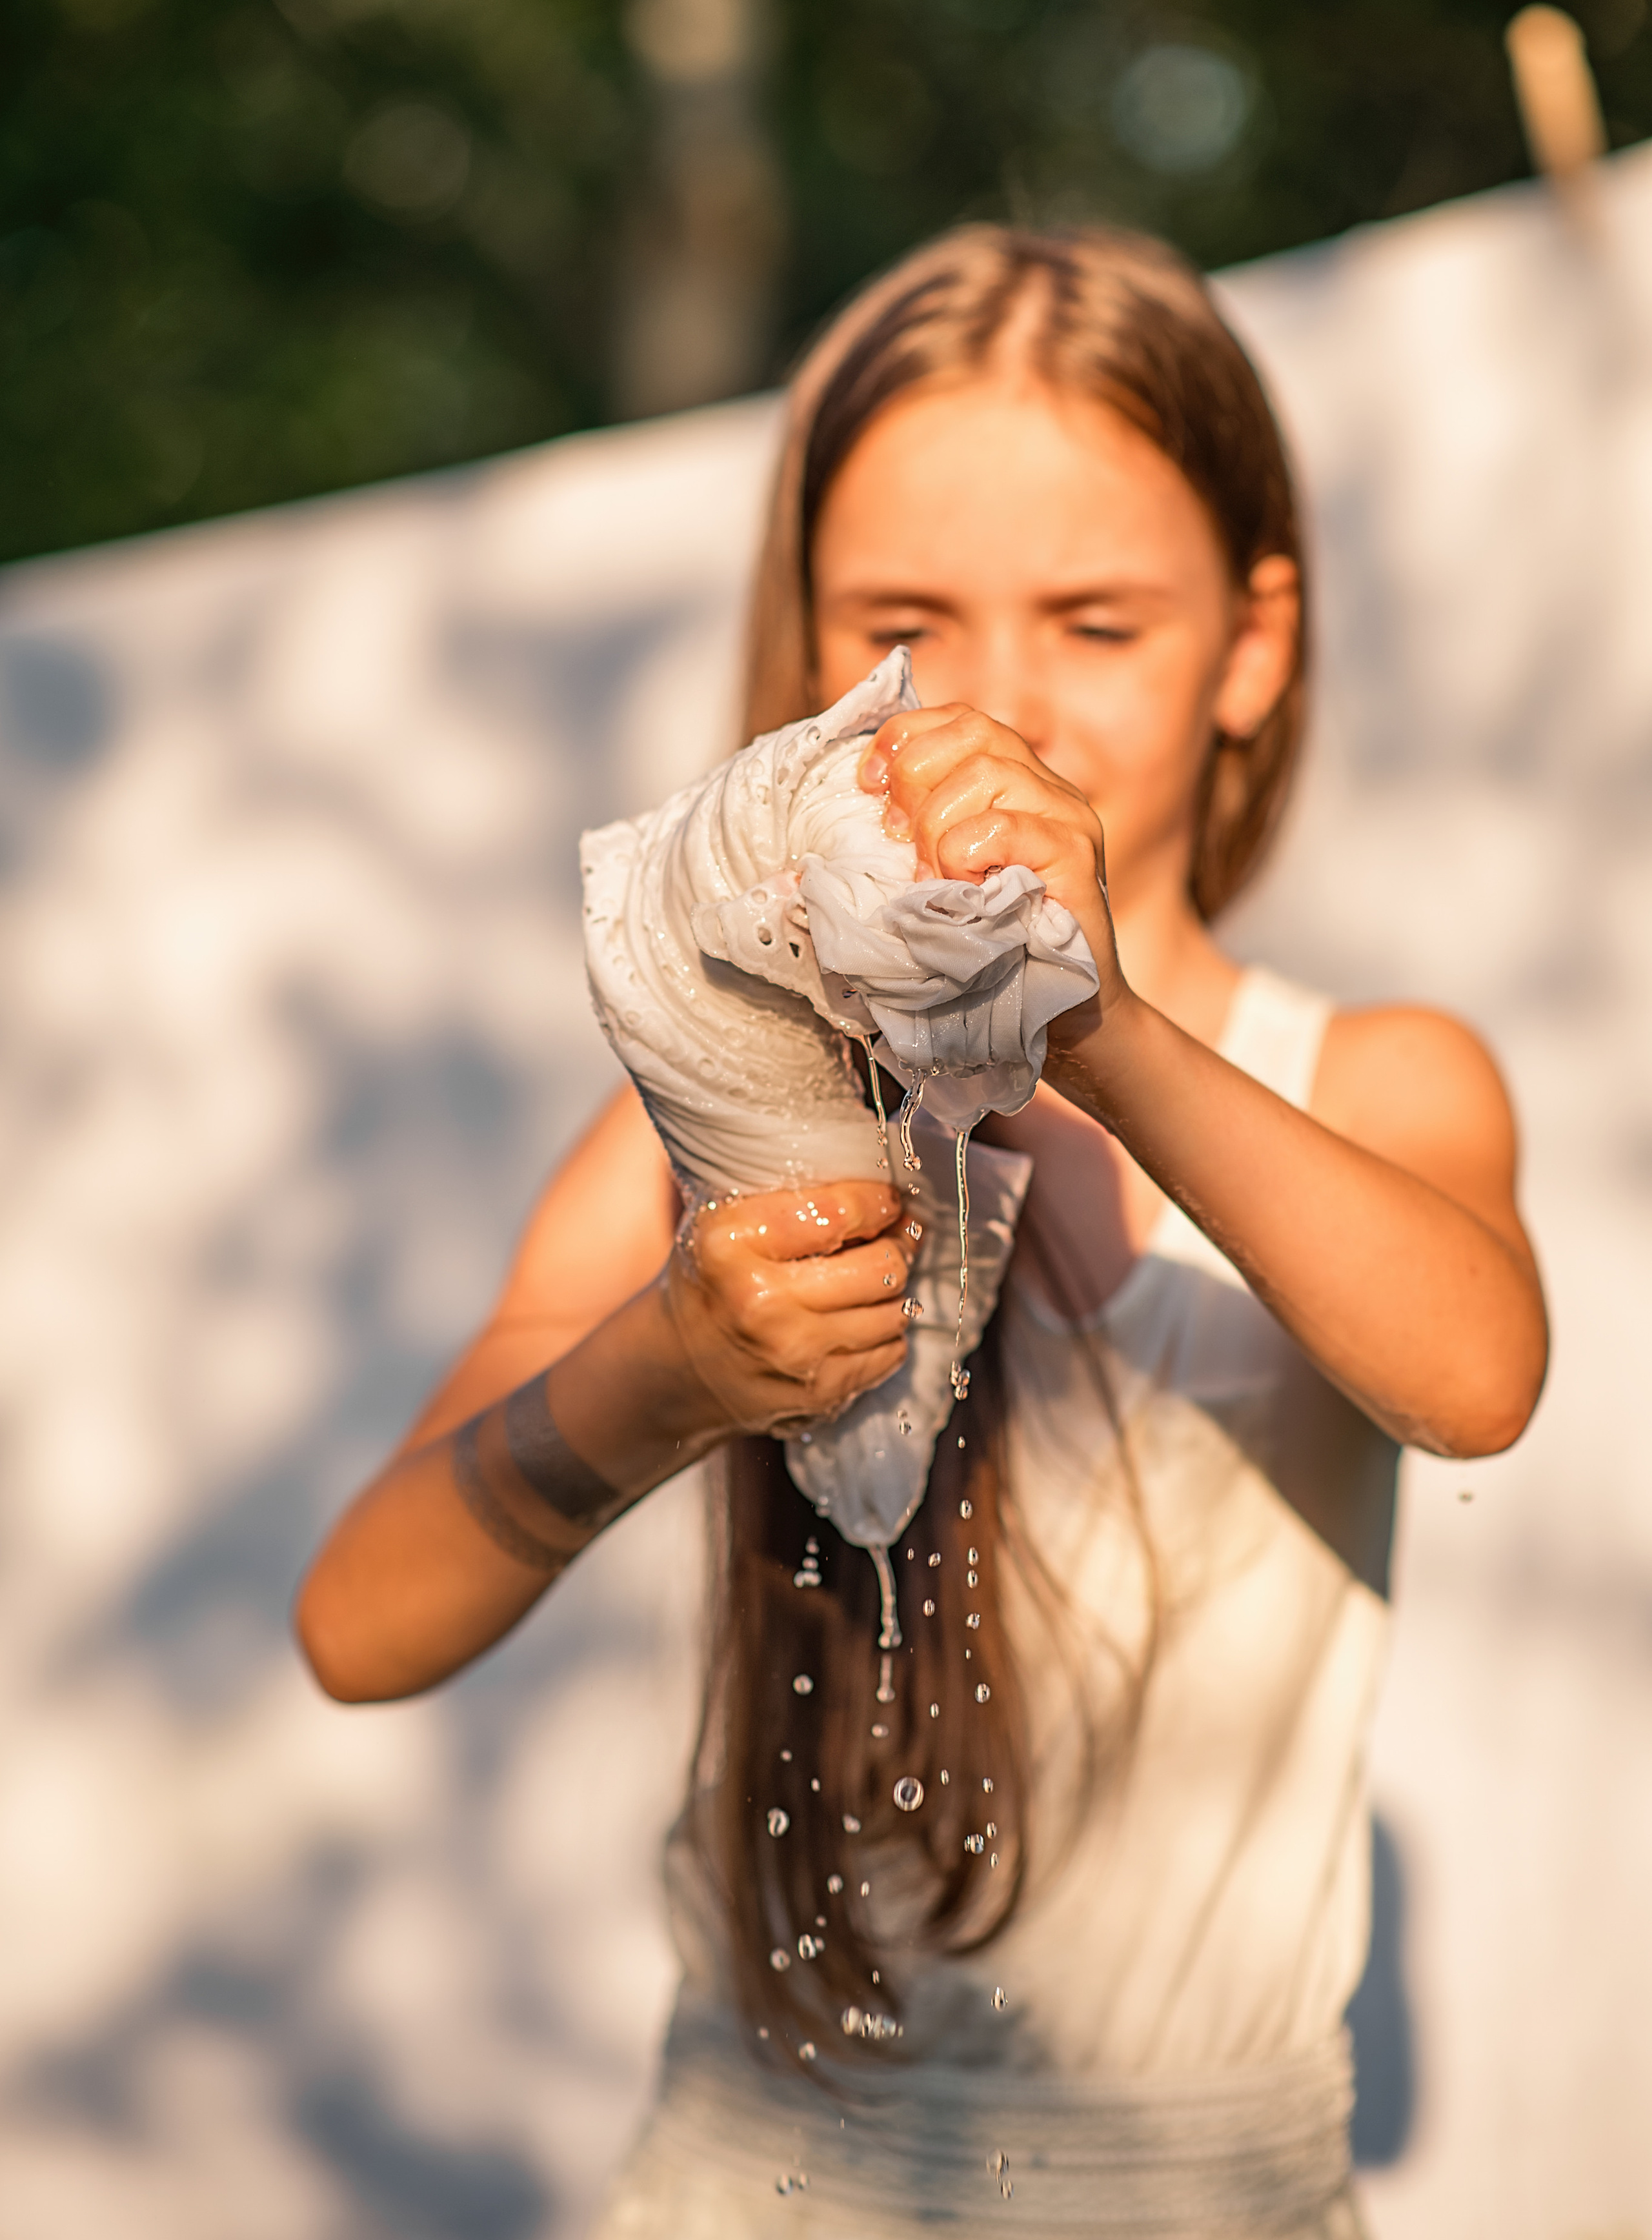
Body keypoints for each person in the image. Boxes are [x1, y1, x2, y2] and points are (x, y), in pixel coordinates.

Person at [295, 227, 1547, 2237]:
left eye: (1099, 625)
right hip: (764, 2185)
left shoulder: (1368, 1080)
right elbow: (360, 1626)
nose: (1001, 709)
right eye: (909, 624)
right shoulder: (709, 1126)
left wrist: (1103, 1035)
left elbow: (1473, 1380)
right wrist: (660, 1376)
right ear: (815, 658)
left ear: (1254, 643)